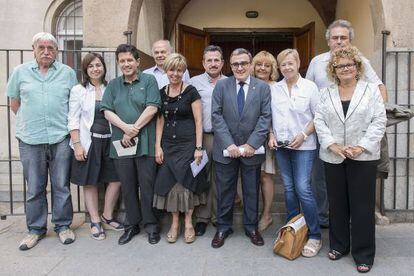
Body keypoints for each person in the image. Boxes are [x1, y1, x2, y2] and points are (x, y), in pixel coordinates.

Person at [305, 19, 387, 228]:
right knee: (321, 180)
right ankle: (324, 219)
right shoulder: (316, 62)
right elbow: (308, 95)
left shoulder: (361, 61)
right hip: (325, 135)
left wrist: (375, 123)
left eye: (343, 37)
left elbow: (379, 88)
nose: (339, 41)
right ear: (329, 41)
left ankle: (353, 221)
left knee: (354, 185)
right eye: (335, 38)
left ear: (350, 40)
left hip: (356, 138)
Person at [314, 46, 386, 273]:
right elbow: (319, 121)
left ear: (357, 67)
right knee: (337, 204)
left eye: (349, 64)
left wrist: (362, 146)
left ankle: (363, 254)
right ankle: (339, 245)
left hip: (363, 156)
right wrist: (332, 145)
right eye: (340, 65)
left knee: (362, 206)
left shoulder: (371, 90)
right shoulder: (326, 93)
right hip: (333, 155)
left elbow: (379, 121)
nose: (345, 68)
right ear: (333, 70)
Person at [6, 32, 77, 250]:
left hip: (60, 138)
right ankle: (35, 229)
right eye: (42, 47)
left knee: (61, 185)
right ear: (34, 49)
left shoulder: (67, 73)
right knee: (35, 187)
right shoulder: (20, 72)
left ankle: (63, 226)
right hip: (30, 139)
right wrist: (33, 121)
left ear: (57, 51)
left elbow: (73, 104)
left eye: (51, 48)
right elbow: (14, 103)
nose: (46, 52)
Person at [101, 44, 161, 245]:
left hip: (145, 142)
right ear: (118, 64)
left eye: (129, 60)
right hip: (122, 143)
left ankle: (151, 226)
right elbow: (107, 110)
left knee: (147, 186)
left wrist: (133, 129)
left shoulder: (149, 80)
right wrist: (125, 129)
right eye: (122, 61)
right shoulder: (113, 85)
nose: (126, 64)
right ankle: (132, 225)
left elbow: (153, 107)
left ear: (138, 62)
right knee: (127, 186)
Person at [211, 48, 271, 248]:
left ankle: (251, 227)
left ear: (250, 63)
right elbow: (216, 115)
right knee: (225, 190)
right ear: (230, 64)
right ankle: (223, 227)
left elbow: (265, 117)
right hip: (226, 149)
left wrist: (251, 144)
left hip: (251, 150)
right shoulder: (221, 85)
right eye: (235, 64)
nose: (239, 67)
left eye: (243, 63)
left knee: (251, 190)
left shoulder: (262, 88)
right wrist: (229, 143)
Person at [268, 49, 322, 257]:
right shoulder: (275, 89)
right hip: (282, 146)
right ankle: (294, 229)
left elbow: (318, 116)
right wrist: (271, 135)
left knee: (303, 188)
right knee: (289, 189)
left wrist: (303, 134)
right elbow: (269, 116)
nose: (287, 67)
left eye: (290, 63)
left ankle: (315, 235)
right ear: (279, 68)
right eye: (283, 64)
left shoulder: (310, 87)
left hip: (304, 146)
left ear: (298, 63)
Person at [153, 53, 208, 244]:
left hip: (188, 144)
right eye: (171, 69)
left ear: (183, 72)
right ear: (166, 71)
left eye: (179, 70)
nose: (175, 74)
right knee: (171, 184)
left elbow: (199, 121)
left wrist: (199, 147)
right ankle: (175, 223)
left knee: (186, 184)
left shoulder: (191, 91)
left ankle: (188, 223)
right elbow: (160, 120)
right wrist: (157, 146)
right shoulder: (161, 92)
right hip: (168, 144)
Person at [68, 53, 123, 240]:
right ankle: (94, 220)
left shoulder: (112, 87)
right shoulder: (79, 90)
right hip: (89, 141)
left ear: (104, 67)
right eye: (90, 66)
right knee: (90, 181)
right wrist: (77, 145)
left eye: (98, 65)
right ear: (85, 69)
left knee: (116, 178)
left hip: (111, 141)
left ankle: (107, 216)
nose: (95, 69)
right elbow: (73, 119)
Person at [189, 45, 227, 236]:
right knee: (203, 177)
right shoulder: (194, 82)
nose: (213, 64)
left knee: (221, 179)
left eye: (216, 60)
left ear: (222, 63)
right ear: (203, 63)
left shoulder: (230, 82)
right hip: (203, 137)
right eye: (209, 60)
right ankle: (202, 218)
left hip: (225, 138)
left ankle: (219, 217)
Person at [251, 50, 278, 232]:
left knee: (265, 176)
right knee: (247, 175)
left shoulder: (277, 87)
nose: (262, 68)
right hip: (246, 137)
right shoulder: (248, 84)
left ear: (272, 69)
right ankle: (249, 211)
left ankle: (266, 214)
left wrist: (270, 134)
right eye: (259, 64)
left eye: (266, 65)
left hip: (269, 136)